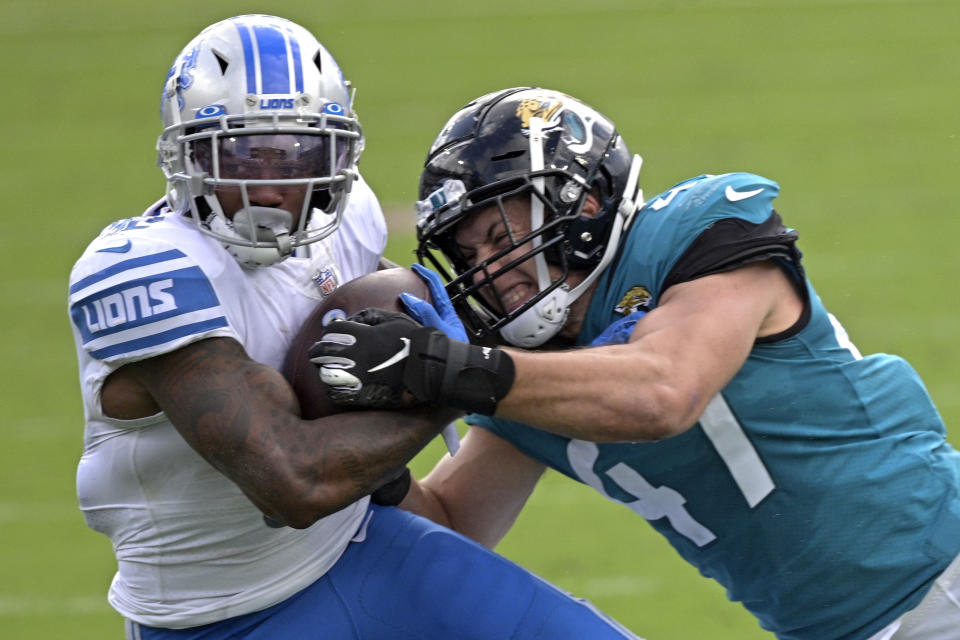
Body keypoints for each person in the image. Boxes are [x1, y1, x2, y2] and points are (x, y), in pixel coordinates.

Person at [311, 87, 960, 640]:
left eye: (501, 237)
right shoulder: (526, 371)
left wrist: (448, 369)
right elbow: (452, 524)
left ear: (584, 202)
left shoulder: (693, 236)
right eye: (469, 252)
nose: (486, 270)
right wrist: (371, 450)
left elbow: (665, 391)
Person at [68, 25, 646, 640]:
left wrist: (534, 347)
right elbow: (294, 483)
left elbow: (400, 340)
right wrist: (470, 376)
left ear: (336, 156)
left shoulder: (347, 219)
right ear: (187, 155)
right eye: (238, 155)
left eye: (296, 156)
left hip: (367, 547)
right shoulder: (143, 272)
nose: (269, 187)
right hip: (218, 619)